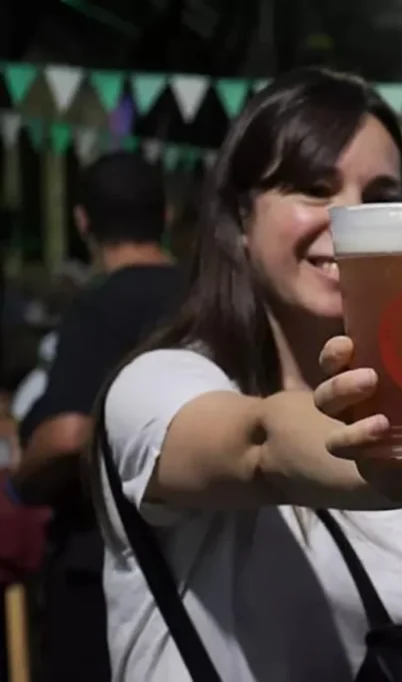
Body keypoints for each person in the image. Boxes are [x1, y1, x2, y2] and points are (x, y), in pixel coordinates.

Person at [85, 68, 402, 681]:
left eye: (381, 198)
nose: (350, 217)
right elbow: (260, 443)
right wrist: (381, 458)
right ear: (240, 220)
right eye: (313, 187)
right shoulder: (159, 384)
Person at [11, 151, 182, 682]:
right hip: (201, 567)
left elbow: (67, 436)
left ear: (83, 221)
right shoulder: (206, 298)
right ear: (166, 215)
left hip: (107, 575)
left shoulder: (97, 309)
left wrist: (21, 482)